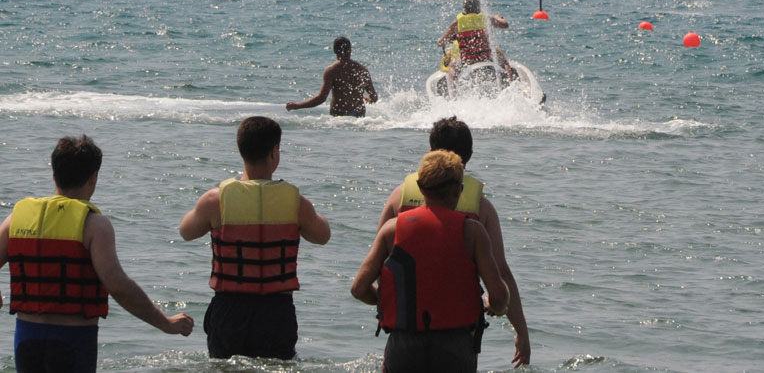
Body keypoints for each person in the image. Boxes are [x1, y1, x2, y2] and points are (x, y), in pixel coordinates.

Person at [0, 135, 194, 373]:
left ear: (54, 175)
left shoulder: (15, 220)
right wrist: (165, 323)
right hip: (72, 341)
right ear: (93, 179)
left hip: (26, 341)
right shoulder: (94, 225)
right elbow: (118, 286)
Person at [377, 117, 531, 368]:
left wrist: (389, 310)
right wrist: (521, 331)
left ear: (429, 153)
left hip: (405, 333)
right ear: (468, 157)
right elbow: (501, 272)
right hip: (457, 336)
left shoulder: (399, 197)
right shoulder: (481, 208)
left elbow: (381, 266)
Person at [179, 116, 331, 360]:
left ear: (241, 151)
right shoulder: (295, 203)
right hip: (275, 312)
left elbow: (185, 231)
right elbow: (323, 235)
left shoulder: (215, 201)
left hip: (229, 310)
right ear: (274, 153)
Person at [352, 150, 509, 373]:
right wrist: (494, 306)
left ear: (421, 187)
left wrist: (393, 304)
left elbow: (358, 288)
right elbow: (500, 297)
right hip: (455, 347)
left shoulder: (392, 229)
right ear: (458, 190)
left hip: (404, 345)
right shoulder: (473, 232)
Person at [286, 36, 377, 117]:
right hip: (359, 115)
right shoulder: (362, 69)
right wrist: (363, 97)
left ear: (334, 50)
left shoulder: (332, 70)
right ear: (350, 50)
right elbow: (374, 97)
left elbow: (321, 98)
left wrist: (297, 106)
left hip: (339, 116)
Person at [437, 0, 510, 94]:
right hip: (486, 57)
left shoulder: (457, 22)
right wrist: (497, 17)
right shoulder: (486, 18)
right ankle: (509, 84)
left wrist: (441, 41)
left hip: (467, 59)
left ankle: (453, 93)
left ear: (465, 8)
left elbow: (442, 41)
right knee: (504, 62)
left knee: (452, 66)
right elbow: (505, 25)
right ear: (478, 7)